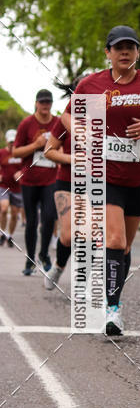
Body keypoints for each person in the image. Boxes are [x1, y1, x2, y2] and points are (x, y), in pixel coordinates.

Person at [62, 25, 140, 335]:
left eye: (131, 47)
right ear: (108, 53)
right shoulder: (91, 84)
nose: (125, 52)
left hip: (139, 176)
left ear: (139, 52)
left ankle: (113, 296)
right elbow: (67, 115)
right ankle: (112, 311)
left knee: (124, 247)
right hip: (104, 174)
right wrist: (78, 129)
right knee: (114, 240)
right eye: (119, 47)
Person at [13, 90, 59, 274]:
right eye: (42, 102)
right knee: (31, 221)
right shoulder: (26, 124)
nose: (45, 105)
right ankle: (30, 260)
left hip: (51, 179)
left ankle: (44, 254)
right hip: (29, 180)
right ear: (36, 103)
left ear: (52, 103)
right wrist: (36, 145)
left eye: (48, 102)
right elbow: (16, 152)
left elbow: (65, 145)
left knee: (49, 217)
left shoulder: (58, 123)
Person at [43, 83, 77, 289]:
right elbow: (49, 151)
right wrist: (72, 159)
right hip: (68, 181)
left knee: (92, 234)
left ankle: (85, 282)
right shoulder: (66, 118)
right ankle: (58, 266)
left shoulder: (110, 118)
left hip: (101, 182)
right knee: (68, 235)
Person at [0, 129, 23, 248]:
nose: (12, 144)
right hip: (4, 186)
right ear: (6, 141)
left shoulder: (21, 153)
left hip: (17, 188)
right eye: (10, 142)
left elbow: (27, 168)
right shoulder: (2, 152)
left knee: (14, 214)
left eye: (13, 142)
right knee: (4, 209)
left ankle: (9, 235)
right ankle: (2, 233)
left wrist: (21, 173)